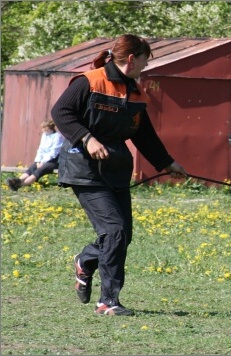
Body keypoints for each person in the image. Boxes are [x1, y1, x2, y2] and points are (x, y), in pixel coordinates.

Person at [51, 34, 187, 316]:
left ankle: (86, 261)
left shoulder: (135, 92)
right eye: (145, 61)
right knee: (114, 231)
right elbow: (61, 112)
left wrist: (167, 163)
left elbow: (144, 135)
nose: (146, 67)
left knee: (122, 235)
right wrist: (86, 139)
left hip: (115, 171)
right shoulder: (90, 81)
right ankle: (107, 301)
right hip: (84, 169)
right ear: (132, 58)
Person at [6, 119, 65, 191]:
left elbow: (54, 153)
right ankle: (17, 180)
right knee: (32, 168)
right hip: (43, 160)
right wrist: (38, 161)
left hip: (55, 161)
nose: (43, 130)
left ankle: (19, 185)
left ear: (49, 128)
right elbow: (41, 149)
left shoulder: (57, 136)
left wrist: (43, 162)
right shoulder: (44, 135)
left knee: (39, 170)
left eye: (44, 128)